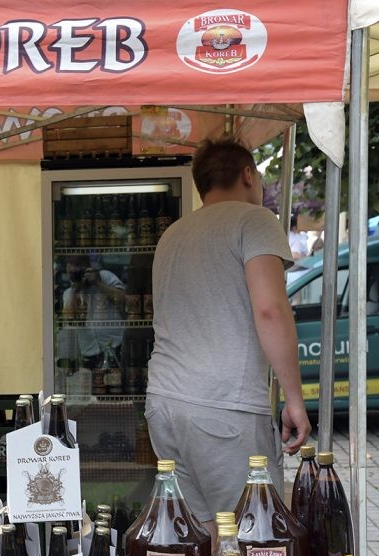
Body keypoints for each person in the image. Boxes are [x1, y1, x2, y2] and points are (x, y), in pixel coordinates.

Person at [145, 138, 312, 536]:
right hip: (223, 407)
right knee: (254, 537)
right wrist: (294, 400)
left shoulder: (172, 234)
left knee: (201, 537)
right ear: (248, 174)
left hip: (164, 403)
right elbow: (271, 310)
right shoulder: (254, 221)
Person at [61, 256, 126, 368]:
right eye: (71, 274)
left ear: (87, 267)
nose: (75, 276)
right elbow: (69, 320)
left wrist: (98, 283)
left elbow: (123, 299)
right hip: (89, 351)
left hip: (115, 344)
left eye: (78, 271)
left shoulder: (104, 277)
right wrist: (76, 290)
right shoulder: (68, 293)